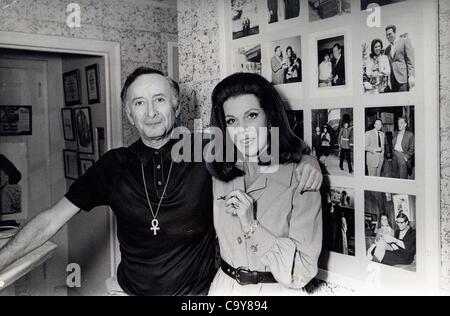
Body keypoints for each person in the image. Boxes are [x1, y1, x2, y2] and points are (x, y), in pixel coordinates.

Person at [0, 67, 323, 296]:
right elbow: (49, 221)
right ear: (129, 114)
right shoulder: (113, 165)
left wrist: (308, 160)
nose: (151, 112)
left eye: (159, 100)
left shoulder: (208, 151)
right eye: (139, 103)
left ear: (177, 106)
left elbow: (267, 147)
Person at [207, 73, 322, 295]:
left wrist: (251, 226)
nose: (242, 130)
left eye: (251, 116)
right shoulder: (221, 173)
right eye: (232, 121)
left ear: (269, 117)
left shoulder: (301, 176)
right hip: (223, 288)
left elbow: (302, 271)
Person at [385, 25, 415, 92]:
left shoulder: (404, 41)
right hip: (393, 82)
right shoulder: (387, 49)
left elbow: (410, 60)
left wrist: (411, 76)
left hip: (403, 79)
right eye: (386, 35)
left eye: (390, 34)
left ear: (395, 33)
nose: (388, 36)